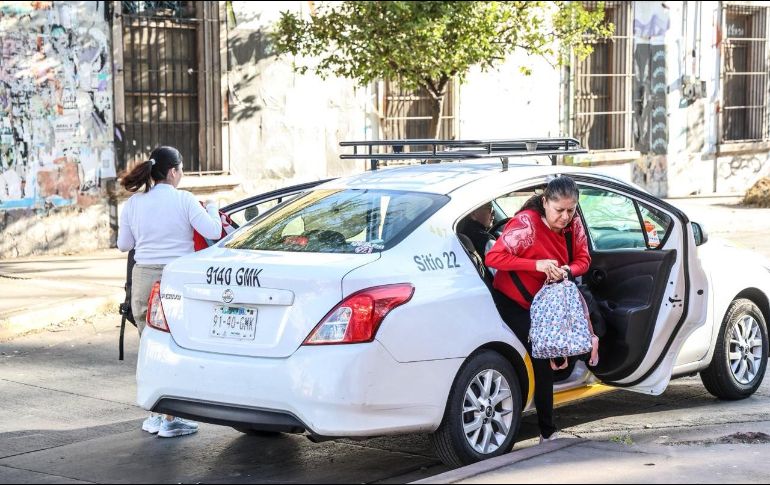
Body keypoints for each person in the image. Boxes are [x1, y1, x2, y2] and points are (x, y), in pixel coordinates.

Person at [117, 146, 222, 438]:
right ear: (173, 171)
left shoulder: (134, 204)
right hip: (175, 280)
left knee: (152, 348)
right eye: (182, 169)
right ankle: (171, 419)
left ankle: (157, 414)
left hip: (143, 281)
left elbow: (124, 245)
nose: (182, 174)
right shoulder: (185, 200)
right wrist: (211, 205)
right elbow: (213, 231)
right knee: (176, 348)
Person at [485, 175, 594, 443]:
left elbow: (584, 259)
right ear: (545, 202)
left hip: (545, 303)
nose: (565, 216)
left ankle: (546, 429)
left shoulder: (574, 226)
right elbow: (494, 257)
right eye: (559, 210)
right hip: (512, 301)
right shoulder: (526, 224)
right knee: (541, 355)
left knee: (554, 352)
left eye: (571, 210)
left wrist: (568, 269)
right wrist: (537, 265)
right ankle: (547, 431)